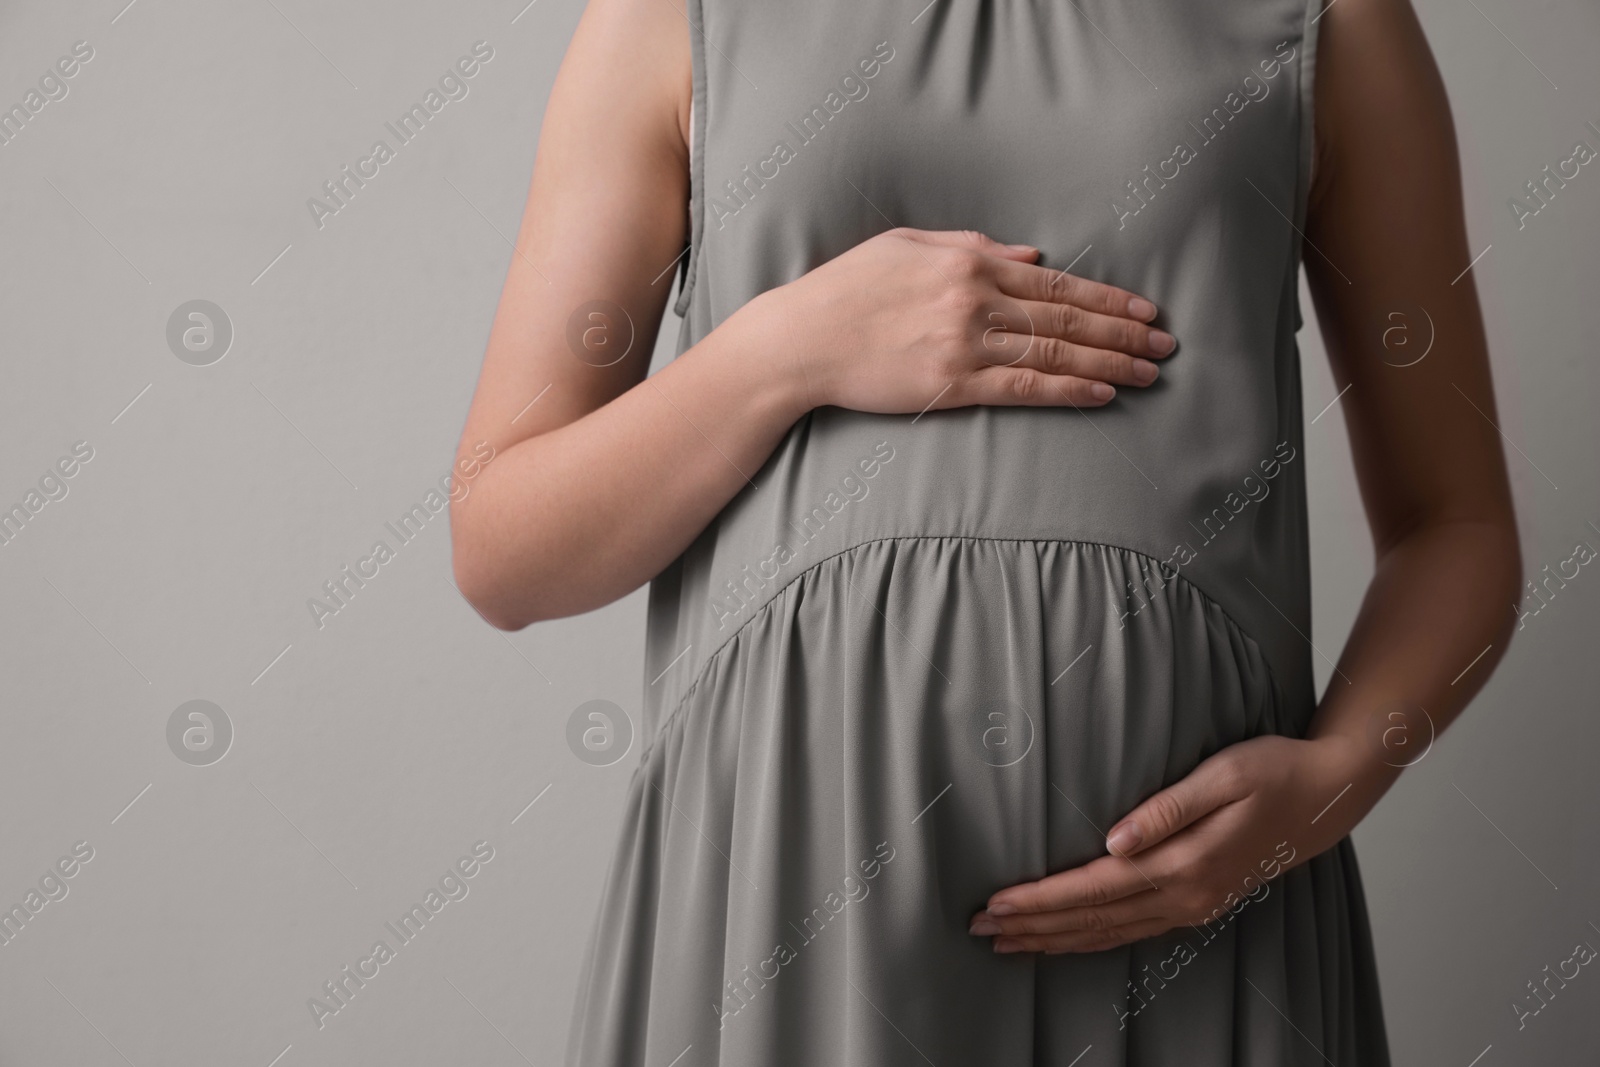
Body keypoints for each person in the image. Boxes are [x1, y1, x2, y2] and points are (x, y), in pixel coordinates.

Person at [450, 0, 1521, 1061]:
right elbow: (505, 549)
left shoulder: (1332, 18)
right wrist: (785, 349)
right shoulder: (671, 15)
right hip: (787, 899)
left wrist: (1336, 776)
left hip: (1194, 917)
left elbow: (1455, 526)